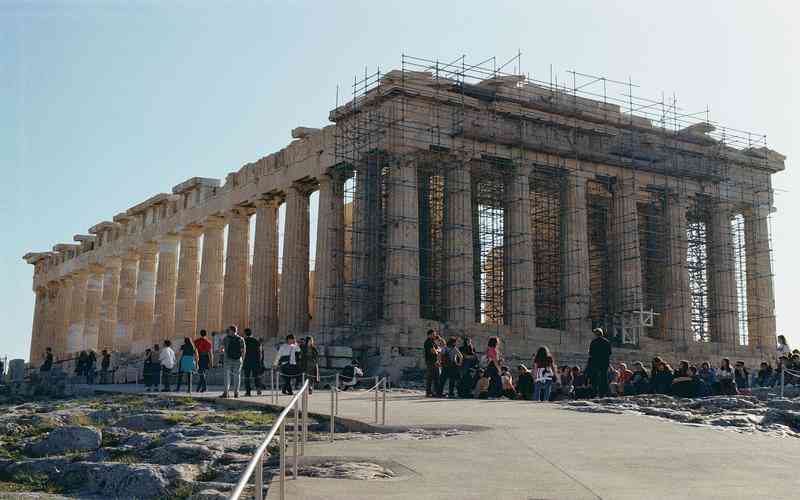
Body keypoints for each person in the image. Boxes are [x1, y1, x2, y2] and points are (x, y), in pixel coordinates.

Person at [222, 326, 246, 398]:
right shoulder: (241, 339)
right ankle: (236, 392)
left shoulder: (226, 338)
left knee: (227, 376)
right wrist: (242, 359)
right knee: (237, 376)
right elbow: (243, 351)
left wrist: (223, 353)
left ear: (231, 331)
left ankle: (226, 392)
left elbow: (222, 349)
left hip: (227, 359)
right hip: (238, 359)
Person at [587, 328, 612, 398]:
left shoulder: (593, 342)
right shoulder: (607, 342)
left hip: (595, 363)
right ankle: (603, 393)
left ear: (595, 334)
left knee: (594, 378)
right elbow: (609, 353)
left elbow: (590, 353)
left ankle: (594, 393)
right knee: (604, 378)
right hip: (604, 363)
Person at [242, 329, 263, 397]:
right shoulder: (256, 341)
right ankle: (258, 390)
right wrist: (260, 360)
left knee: (246, 377)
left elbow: (242, 351)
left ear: (245, 334)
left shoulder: (243, 341)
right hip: (255, 361)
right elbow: (260, 351)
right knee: (256, 376)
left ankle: (248, 392)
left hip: (246, 361)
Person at [423, 330, 440, 397]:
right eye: (433, 334)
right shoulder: (428, 342)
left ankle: (436, 392)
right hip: (430, 361)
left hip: (434, 361)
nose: (434, 335)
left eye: (435, 334)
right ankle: (429, 392)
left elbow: (438, 349)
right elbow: (434, 352)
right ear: (429, 335)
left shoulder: (433, 342)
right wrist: (438, 350)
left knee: (436, 377)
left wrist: (437, 350)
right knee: (430, 377)